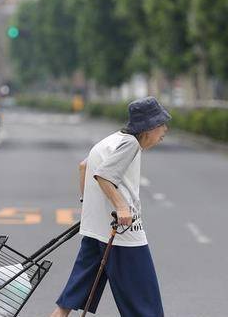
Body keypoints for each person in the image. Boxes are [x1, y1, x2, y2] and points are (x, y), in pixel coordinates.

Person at [51, 96, 171, 317]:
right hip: (123, 236)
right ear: (149, 128)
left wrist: (89, 207)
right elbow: (104, 175)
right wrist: (122, 207)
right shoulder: (131, 144)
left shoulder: (111, 140)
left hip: (95, 232)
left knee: (68, 302)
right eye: (162, 125)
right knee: (146, 306)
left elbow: (84, 167)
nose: (164, 130)